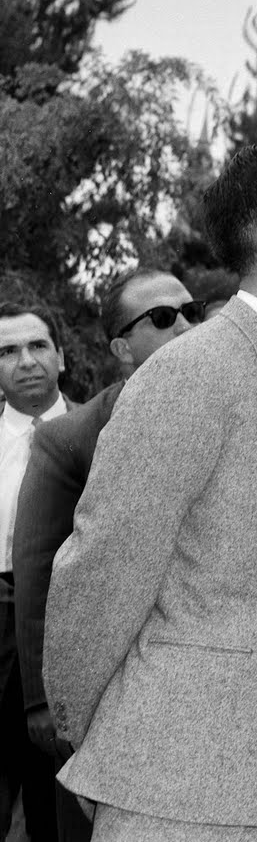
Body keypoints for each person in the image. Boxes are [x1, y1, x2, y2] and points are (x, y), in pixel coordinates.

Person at [45, 138, 257, 840]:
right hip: (166, 789)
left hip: (252, 788)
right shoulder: (193, 372)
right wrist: (95, 743)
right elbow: (100, 573)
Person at [14, 269, 203, 842]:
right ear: (122, 347)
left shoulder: (241, 415)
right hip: (106, 694)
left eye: (191, 310)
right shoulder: (70, 440)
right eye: (164, 318)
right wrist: (44, 700)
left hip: (207, 687)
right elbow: (41, 577)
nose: (188, 325)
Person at [1, 301, 75, 842]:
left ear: (62, 357)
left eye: (38, 346)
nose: (25, 361)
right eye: (7, 351)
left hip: (72, 628)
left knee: (65, 808)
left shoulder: (103, 433)